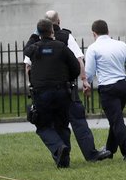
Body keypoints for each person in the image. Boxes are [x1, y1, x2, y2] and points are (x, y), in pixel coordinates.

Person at [23, 11, 112, 162]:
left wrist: (33, 83)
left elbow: (27, 66)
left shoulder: (34, 46)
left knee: (47, 124)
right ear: (57, 23)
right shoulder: (64, 40)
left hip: (42, 91)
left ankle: (62, 153)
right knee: (74, 121)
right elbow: (77, 63)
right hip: (64, 89)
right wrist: (76, 80)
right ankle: (89, 154)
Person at [23, 19, 82, 167]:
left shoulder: (34, 48)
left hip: (42, 93)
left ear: (39, 33)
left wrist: (34, 35)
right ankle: (64, 161)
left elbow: (26, 50)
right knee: (62, 125)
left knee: (43, 126)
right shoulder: (61, 47)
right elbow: (75, 67)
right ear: (52, 31)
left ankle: (58, 148)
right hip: (61, 91)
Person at [83, 20, 126, 160]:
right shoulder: (120, 45)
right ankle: (110, 149)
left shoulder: (93, 48)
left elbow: (90, 72)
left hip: (107, 88)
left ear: (94, 33)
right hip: (122, 86)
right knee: (115, 119)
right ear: (108, 31)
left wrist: (87, 85)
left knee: (116, 121)